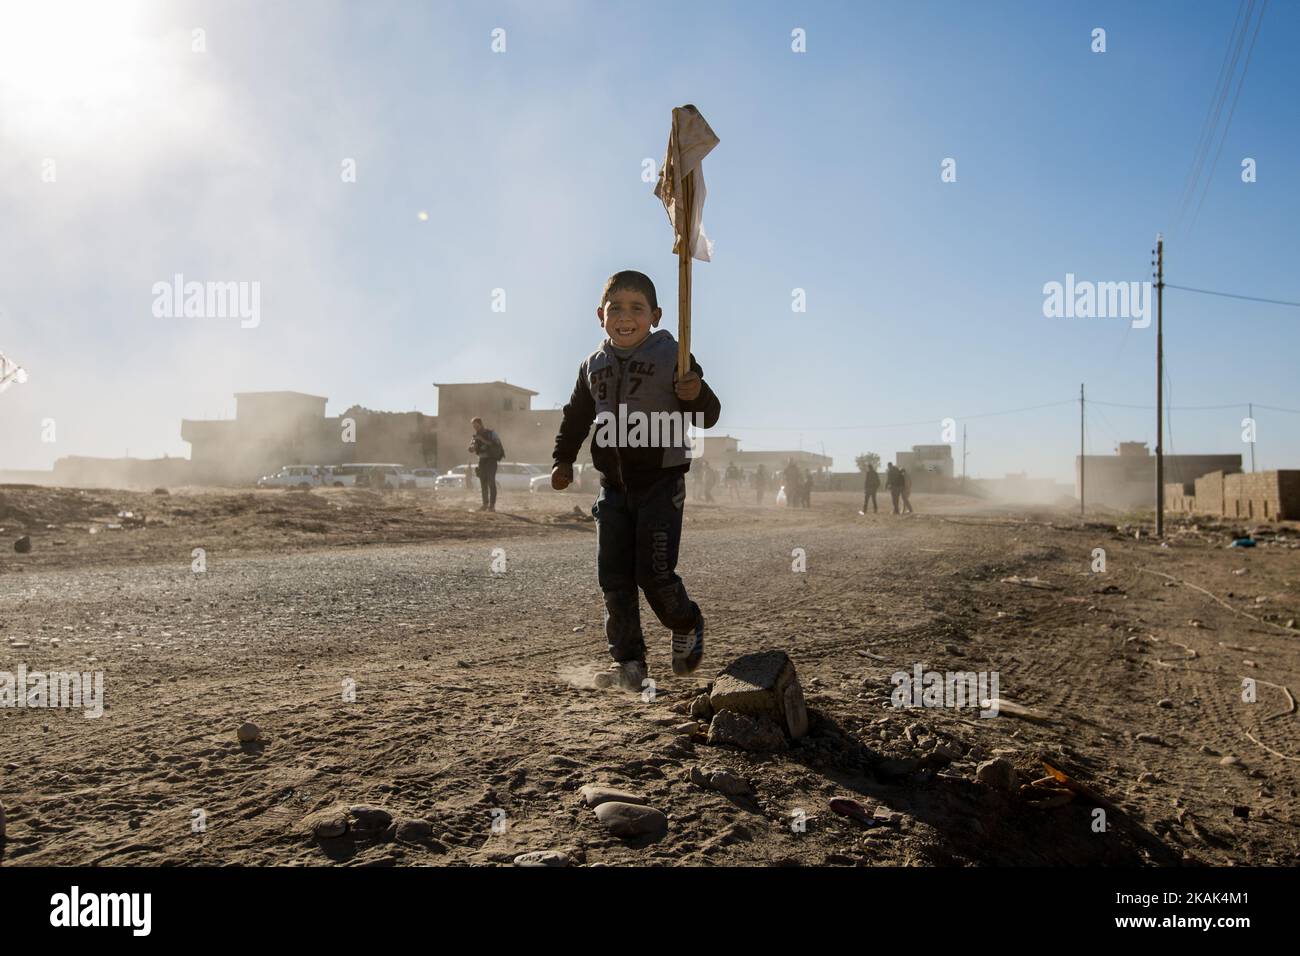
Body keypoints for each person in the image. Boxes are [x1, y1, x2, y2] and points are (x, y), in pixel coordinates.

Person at [551, 270, 722, 691]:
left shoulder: (673, 356)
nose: (625, 317)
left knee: (654, 573)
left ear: (656, 315)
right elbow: (575, 418)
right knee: (614, 578)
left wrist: (693, 393)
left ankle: (685, 620)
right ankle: (630, 663)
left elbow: (709, 414)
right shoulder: (593, 366)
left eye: (636, 308)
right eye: (616, 309)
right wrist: (563, 459)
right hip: (612, 489)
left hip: (661, 484)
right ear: (600, 315)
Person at [468, 416, 504, 511]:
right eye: (473, 426)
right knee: (483, 483)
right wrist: (472, 448)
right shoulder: (475, 436)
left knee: (491, 482)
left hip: (491, 460)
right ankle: (485, 504)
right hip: (482, 461)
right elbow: (471, 447)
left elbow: (496, 444)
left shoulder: (491, 433)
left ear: (481, 424)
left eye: (476, 425)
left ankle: (492, 506)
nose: (475, 428)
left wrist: (482, 439)